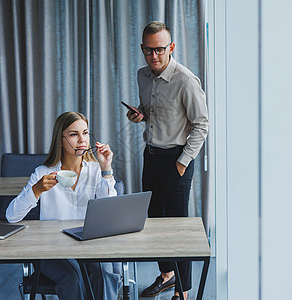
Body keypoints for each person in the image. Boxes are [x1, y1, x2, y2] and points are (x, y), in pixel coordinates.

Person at [126, 21, 209, 300]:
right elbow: (153, 115)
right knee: (154, 222)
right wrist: (139, 116)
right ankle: (167, 275)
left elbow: (202, 125)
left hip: (177, 159)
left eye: (159, 49)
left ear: (170, 47)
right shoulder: (142, 75)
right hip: (152, 157)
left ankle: (182, 292)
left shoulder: (185, 80)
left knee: (178, 230)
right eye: (148, 50)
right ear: (142, 49)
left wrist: (183, 162)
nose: (154, 56)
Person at [6, 111, 122, 300]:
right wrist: (36, 190)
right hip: (51, 247)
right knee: (73, 276)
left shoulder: (95, 170)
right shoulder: (43, 173)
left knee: (104, 274)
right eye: (73, 134)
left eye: (85, 133)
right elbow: (12, 216)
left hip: (88, 244)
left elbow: (111, 210)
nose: (82, 140)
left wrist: (106, 169)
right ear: (60, 140)